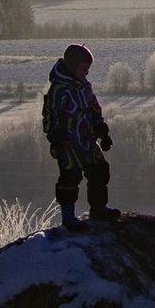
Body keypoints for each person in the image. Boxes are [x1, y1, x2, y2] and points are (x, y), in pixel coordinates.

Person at [42, 43, 117, 231]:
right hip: (68, 143)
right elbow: (50, 113)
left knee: (100, 170)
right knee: (69, 178)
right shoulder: (59, 90)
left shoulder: (85, 87)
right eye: (83, 68)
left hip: (87, 140)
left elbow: (95, 110)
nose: (87, 73)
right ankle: (68, 218)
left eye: (88, 69)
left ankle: (98, 208)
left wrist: (102, 132)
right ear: (72, 66)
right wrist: (54, 137)